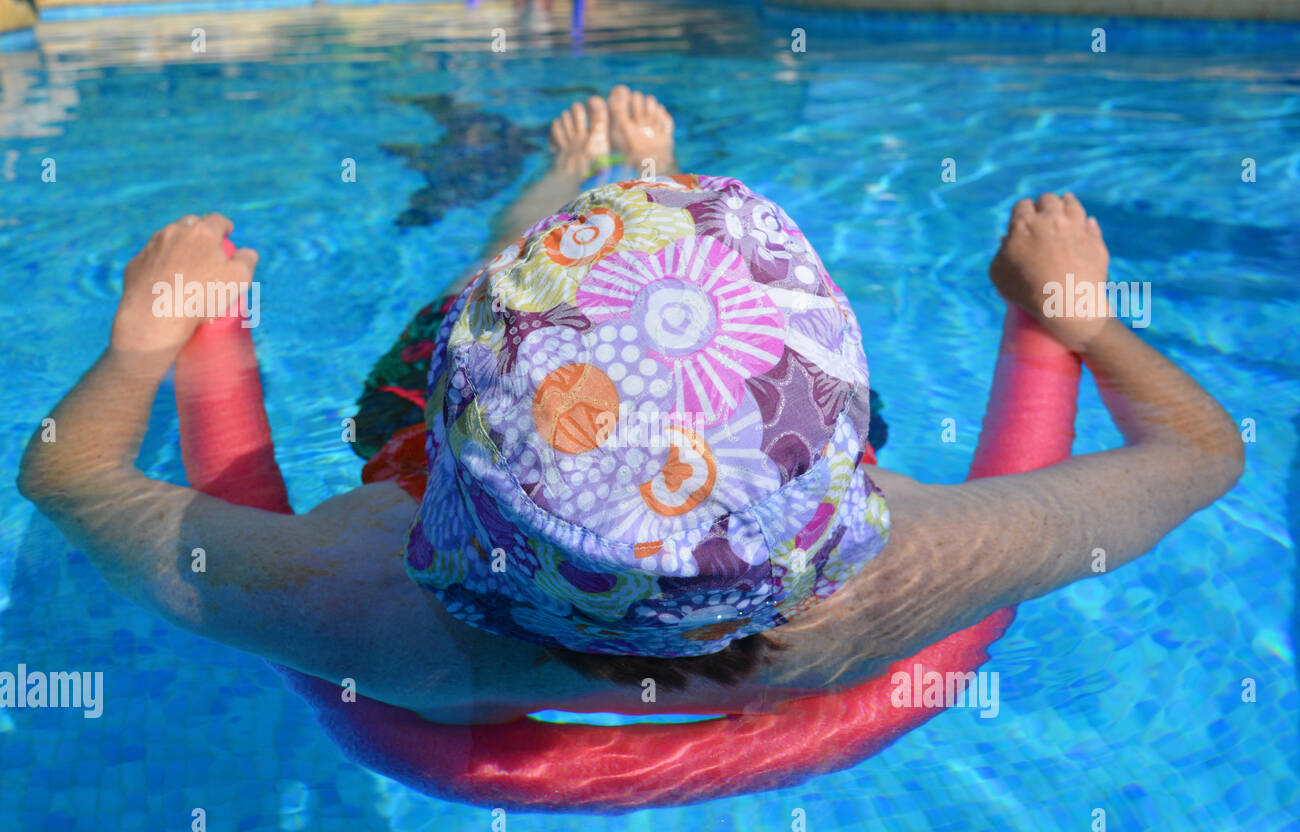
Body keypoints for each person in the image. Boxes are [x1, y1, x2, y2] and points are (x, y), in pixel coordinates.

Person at [18, 87, 1243, 726]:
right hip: (802, 588)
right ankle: (644, 189)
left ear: (449, 476)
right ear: (844, 477)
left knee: (499, 268)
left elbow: (70, 477)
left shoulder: (352, 597)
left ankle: (555, 193)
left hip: (456, 531)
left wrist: (141, 341)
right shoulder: (908, 571)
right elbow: (1198, 453)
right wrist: (1081, 318)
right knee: (588, 323)